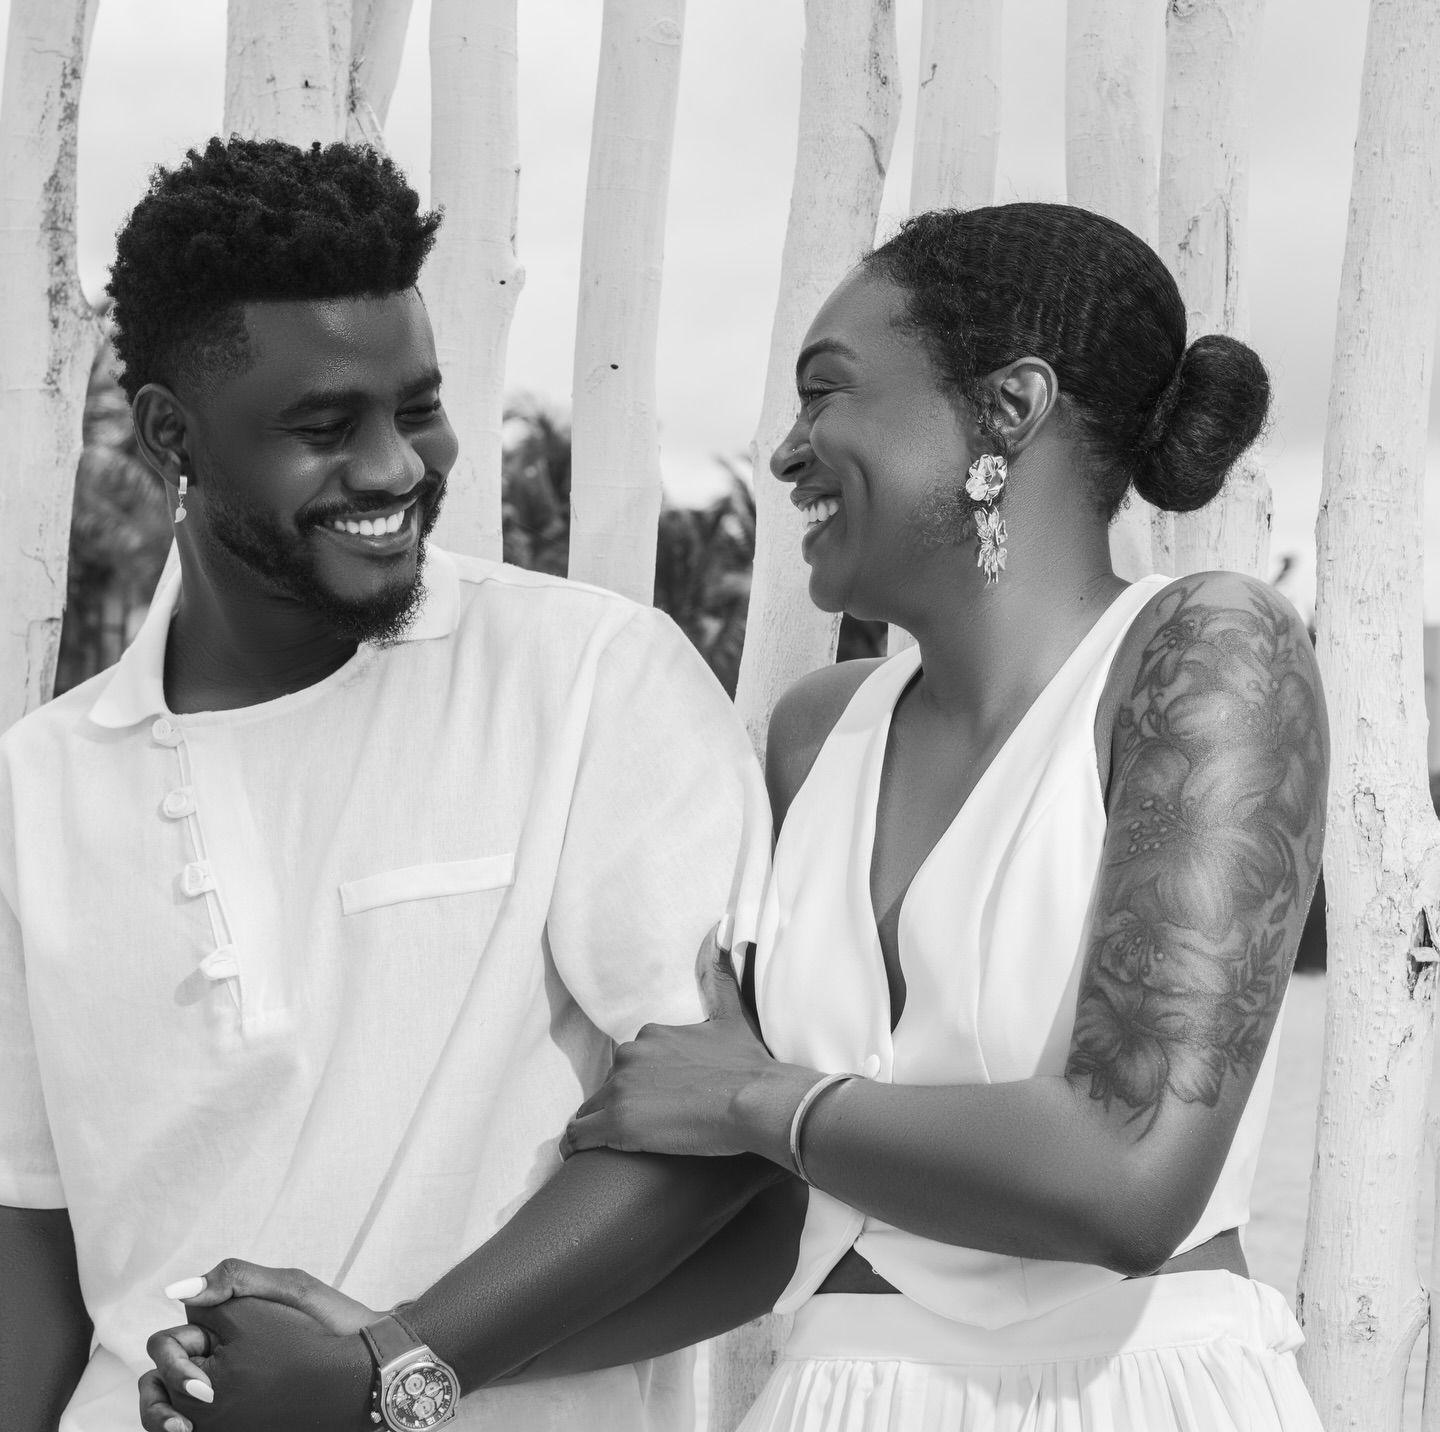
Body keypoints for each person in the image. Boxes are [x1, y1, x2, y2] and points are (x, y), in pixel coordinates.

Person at [143, 205, 1329, 1430]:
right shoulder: (820, 734)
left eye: (827, 393)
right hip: (838, 1396)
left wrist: (754, 1099)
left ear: (1008, 408)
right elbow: (759, 1223)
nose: (788, 452)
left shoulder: (1205, 650)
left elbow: (1129, 1178)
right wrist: (390, 1363)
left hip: (1137, 1389)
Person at [0, 135, 781, 1432]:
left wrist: (389, 1370)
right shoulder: (36, 788)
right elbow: (31, 1242)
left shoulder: (590, 679)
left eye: (417, 406)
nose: (397, 467)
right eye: (324, 428)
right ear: (170, 433)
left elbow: (728, 1154)